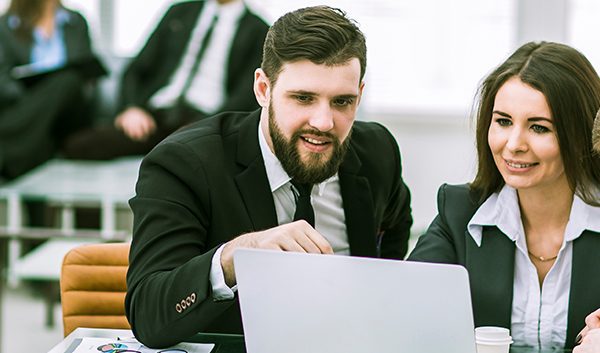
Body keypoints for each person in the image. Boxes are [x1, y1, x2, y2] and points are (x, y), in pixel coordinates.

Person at [125, 5, 413, 348]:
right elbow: (148, 315)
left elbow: (394, 233)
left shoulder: (377, 151)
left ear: (359, 96)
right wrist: (236, 255)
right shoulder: (186, 164)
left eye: (342, 102)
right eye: (303, 98)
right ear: (263, 89)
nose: (323, 122)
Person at [408, 41, 600, 350]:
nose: (513, 144)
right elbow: (404, 311)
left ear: (579, 135)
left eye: (539, 128)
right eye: (503, 121)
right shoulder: (459, 213)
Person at [63, 0, 269, 160]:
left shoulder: (259, 30)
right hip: (153, 119)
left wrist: (210, 128)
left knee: (195, 155)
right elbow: (136, 70)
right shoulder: (178, 13)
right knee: (80, 145)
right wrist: (131, 107)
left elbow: (245, 95)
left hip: (206, 121)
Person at [0, 0, 100, 179]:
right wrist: (36, 97)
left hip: (69, 115)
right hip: (23, 105)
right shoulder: (6, 25)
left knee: (67, 80)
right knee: (40, 140)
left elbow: (85, 73)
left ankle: (7, 154)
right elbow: (3, 78)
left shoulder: (76, 22)